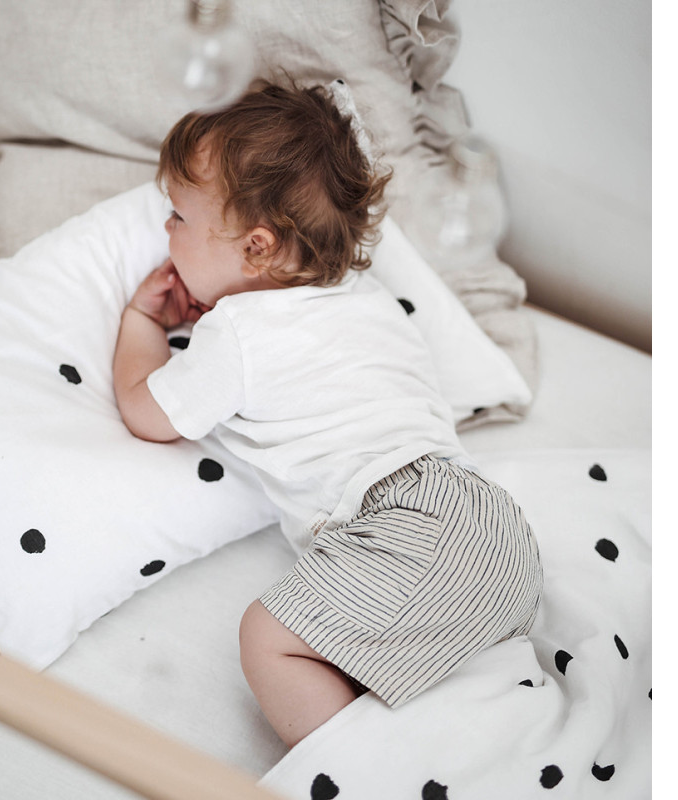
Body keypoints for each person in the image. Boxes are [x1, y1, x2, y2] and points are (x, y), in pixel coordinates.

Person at [113, 79, 543, 748]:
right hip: (495, 528)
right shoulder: (366, 295)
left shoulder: (238, 333)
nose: (165, 229)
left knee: (268, 637)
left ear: (257, 247)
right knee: (377, 661)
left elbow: (148, 412)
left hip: (404, 526)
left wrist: (142, 320)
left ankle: (363, 770)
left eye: (177, 215)